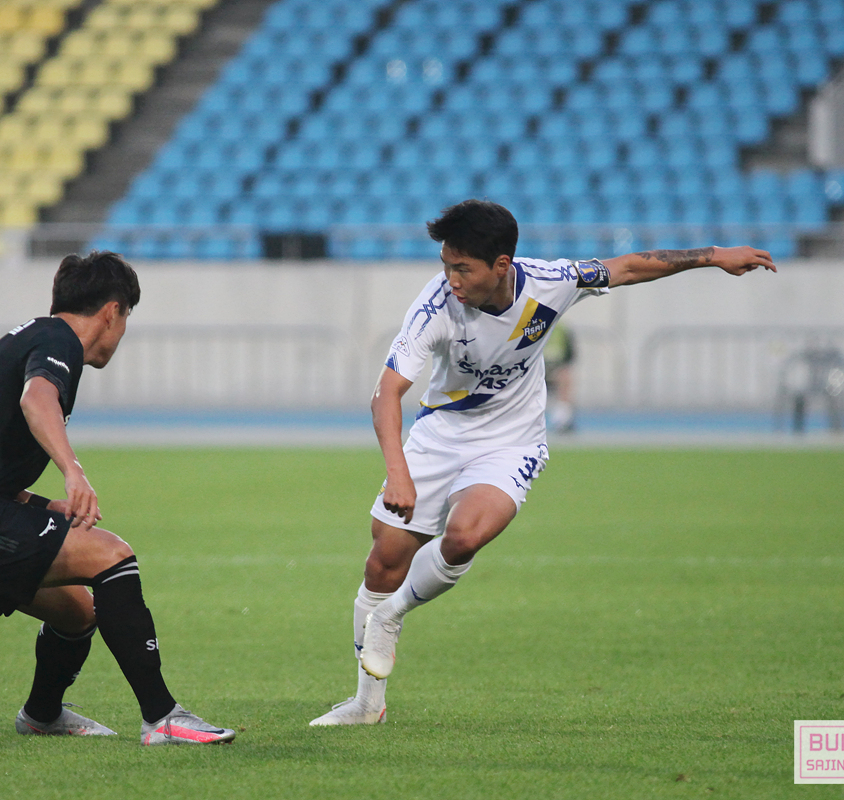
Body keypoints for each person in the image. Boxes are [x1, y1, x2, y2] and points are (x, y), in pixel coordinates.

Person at [310, 199, 776, 726]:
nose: (451, 279)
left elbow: (626, 267)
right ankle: (367, 706)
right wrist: (398, 472)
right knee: (383, 562)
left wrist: (714, 256)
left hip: (512, 441)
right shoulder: (435, 307)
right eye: (445, 265)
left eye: (462, 268)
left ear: (501, 265)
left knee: (465, 536)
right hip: (439, 435)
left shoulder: (551, 282)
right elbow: (386, 394)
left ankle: (391, 617)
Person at [0, 251, 235, 745]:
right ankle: (162, 717)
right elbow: (35, 398)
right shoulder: (57, 340)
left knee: (77, 613)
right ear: (112, 311)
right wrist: (73, 471)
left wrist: (45, 506)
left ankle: (41, 715)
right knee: (112, 556)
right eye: (126, 317)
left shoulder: (33, 338)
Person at [543, 324, 576, 433]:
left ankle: (562, 419)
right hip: (535, 370)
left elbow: (570, 355)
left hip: (554, 370)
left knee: (565, 376)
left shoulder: (561, 328)